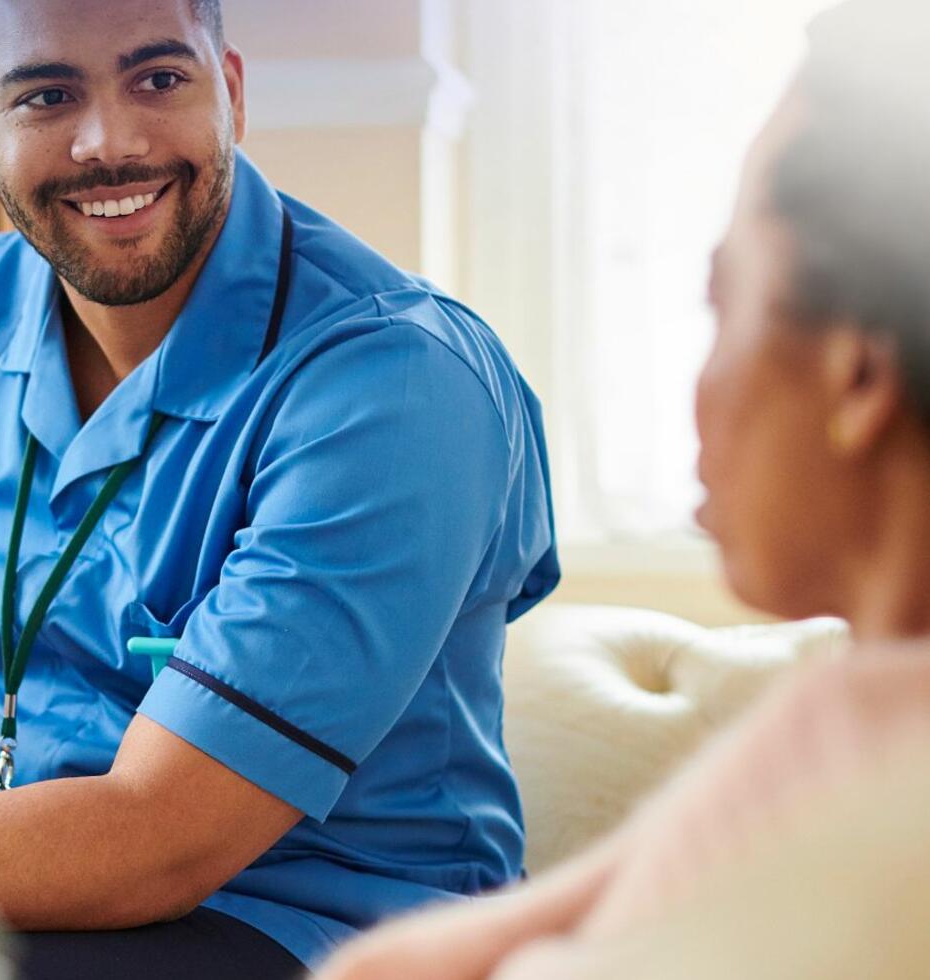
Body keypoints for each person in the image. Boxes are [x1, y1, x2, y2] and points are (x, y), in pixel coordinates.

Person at [0, 0, 558, 976]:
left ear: (233, 93)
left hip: (328, 931)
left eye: (159, 79)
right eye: (47, 95)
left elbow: (158, 833)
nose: (109, 142)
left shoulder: (396, 382)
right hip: (40, 904)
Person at [316, 0, 930, 976]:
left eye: (722, 303)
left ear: (858, 374)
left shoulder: (879, 809)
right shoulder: (844, 703)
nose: (700, 382)